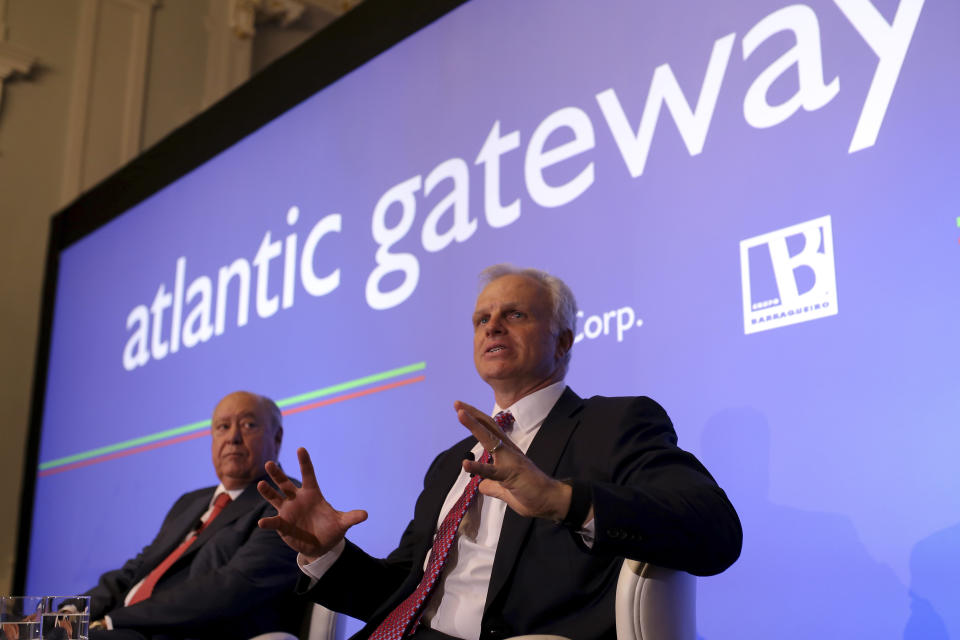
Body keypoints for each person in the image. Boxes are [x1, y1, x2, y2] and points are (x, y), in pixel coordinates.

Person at [258, 265, 743, 639]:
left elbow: (716, 530)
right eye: (481, 319)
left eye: (514, 314)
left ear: (563, 341)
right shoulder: (452, 462)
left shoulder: (612, 424)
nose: (492, 327)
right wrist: (328, 553)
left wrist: (563, 501)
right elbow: (402, 596)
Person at [84, 391, 305, 640]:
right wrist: (74, 611)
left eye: (248, 425)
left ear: (276, 438)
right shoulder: (190, 502)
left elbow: (232, 587)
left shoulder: (285, 501)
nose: (233, 438)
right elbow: (137, 569)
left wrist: (112, 621)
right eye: (223, 427)